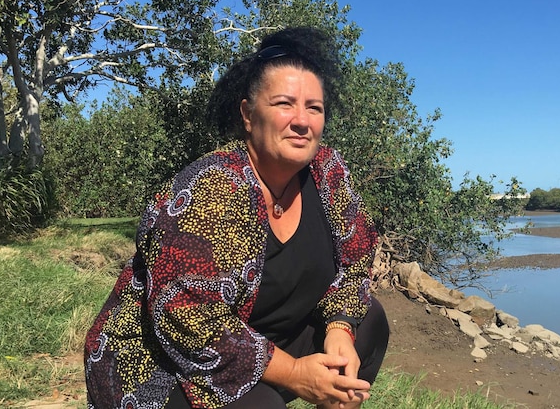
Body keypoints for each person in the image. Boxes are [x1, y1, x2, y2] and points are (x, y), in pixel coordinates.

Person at [84, 27, 389, 409]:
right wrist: (295, 374)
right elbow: (188, 319)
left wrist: (340, 330)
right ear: (248, 113)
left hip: (258, 338)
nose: (302, 120)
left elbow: (357, 255)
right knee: (261, 407)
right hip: (162, 361)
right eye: (284, 104)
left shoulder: (327, 172)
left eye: (314, 107)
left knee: (370, 322)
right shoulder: (211, 190)